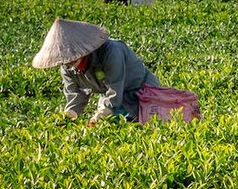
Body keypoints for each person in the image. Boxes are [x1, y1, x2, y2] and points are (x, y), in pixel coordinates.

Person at [31, 18, 161, 123]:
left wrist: (102, 115)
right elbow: (75, 94)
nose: (68, 61)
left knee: (147, 124)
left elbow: (114, 89)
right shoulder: (67, 68)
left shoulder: (111, 52)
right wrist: (68, 117)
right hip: (112, 100)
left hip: (141, 93)